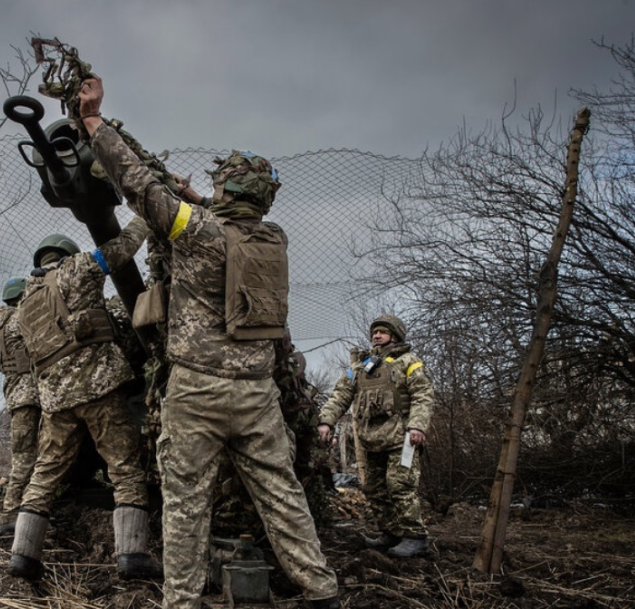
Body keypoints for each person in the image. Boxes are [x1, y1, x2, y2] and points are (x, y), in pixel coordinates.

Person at [78, 76, 340, 609]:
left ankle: (182, 600)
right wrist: (195, 194)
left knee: (185, 504)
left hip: (197, 392)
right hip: (257, 394)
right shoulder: (273, 238)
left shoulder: (195, 231)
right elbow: (225, 219)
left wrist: (92, 122)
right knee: (283, 496)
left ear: (227, 193)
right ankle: (321, 591)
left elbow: (134, 182)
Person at [9, 223, 162, 581]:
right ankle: (132, 555)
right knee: (125, 469)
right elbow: (121, 249)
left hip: (55, 401)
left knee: (44, 474)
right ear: (66, 253)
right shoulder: (76, 267)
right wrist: (144, 213)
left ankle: (22, 556)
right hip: (98, 389)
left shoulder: (24, 302)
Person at [317, 315, 434, 558]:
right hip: (372, 441)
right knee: (373, 487)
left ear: (395, 335)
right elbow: (340, 395)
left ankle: (415, 537)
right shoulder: (360, 367)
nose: (376, 336)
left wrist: (417, 427)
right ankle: (390, 533)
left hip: (402, 440)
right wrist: (326, 421)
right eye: (374, 333)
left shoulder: (408, 362)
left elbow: (423, 394)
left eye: (382, 332)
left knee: (399, 485)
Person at [0, 277, 42, 536]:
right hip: (30, 396)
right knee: (25, 458)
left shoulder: (1, 323)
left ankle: (17, 511)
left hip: (17, 397)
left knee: (26, 455)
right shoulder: (19, 320)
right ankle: (11, 513)